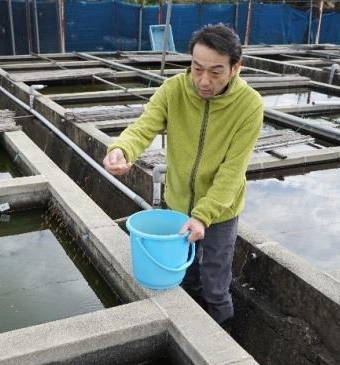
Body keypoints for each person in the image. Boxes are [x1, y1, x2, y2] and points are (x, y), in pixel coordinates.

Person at [102, 23, 263, 331]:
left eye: (215, 72)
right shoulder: (174, 89)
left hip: (219, 213)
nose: (203, 80)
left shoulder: (249, 105)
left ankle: (220, 334)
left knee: (215, 280)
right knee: (185, 274)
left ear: (235, 68)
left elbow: (232, 171)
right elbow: (144, 126)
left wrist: (203, 216)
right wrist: (122, 149)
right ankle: (189, 328)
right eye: (196, 68)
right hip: (177, 205)